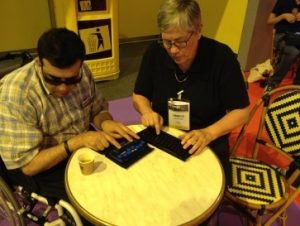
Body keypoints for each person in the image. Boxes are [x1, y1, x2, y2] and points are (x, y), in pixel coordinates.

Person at [0, 28, 138, 225]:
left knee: (127, 172)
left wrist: (106, 123)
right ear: (39, 63)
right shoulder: (17, 94)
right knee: (96, 204)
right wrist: (75, 142)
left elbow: (97, 110)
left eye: (72, 80)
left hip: (78, 145)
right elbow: (29, 166)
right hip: (43, 164)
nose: (64, 88)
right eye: (54, 80)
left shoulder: (82, 72)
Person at [133, 0, 249, 195]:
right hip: (165, 135)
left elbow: (242, 111)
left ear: (198, 30)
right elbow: (139, 95)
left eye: (180, 42)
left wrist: (209, 133)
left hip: (207, 143)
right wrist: (147, 112)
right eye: (167, 41)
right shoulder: (155, 52)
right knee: (144, 186)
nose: (173, 50)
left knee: (198, 198)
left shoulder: (221, 57)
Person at [265, 0, 300, 92]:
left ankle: (297, 86)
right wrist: (283, 16)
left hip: (297, 37)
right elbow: (269, 21)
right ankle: (272, 83)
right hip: (282, 36)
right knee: (293, 52)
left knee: (295, 51)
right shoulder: (283, 1)